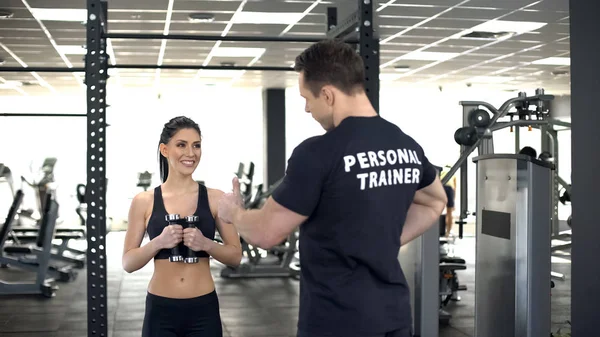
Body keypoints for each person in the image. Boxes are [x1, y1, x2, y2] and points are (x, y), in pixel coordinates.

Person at [218, 39, 447, 337]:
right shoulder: (405, 144)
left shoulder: (318, 153)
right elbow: (434, 202)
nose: (306, 109)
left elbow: (265, 233)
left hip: (337, 320)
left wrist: (234, 212)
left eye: (307, 98)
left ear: (327, 95)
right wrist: (382, 241)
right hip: (393, 315)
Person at [122, 116, 242, 337]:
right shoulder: (144, 201)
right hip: (160, 311)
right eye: (181, 145)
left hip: (203, 310)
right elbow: (128, 263)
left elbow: (235, 257)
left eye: (196, 145)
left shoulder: (215, 198)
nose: (191, 153)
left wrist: (207, 244)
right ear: (164, 150)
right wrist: (159, 242)